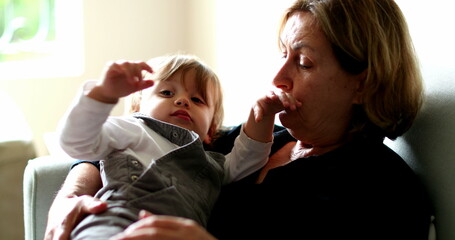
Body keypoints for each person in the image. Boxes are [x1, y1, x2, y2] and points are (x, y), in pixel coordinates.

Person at [45, 0, 432, 239]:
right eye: (281, 54)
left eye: (304, 62)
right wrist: (74, 196)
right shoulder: (267, 138)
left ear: (362, 85)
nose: (279, 77)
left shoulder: (383, 190)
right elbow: (144, 142)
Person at [56, 54, 294, 239]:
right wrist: (102, 95)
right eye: (167, 92)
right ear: (138, 109)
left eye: (197, 100)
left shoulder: (214, 164)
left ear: (211, 131)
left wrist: (261, 118)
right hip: (117, 222)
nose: (182, 101)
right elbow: (76, 142)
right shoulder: (134, 129)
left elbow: (249, 158)